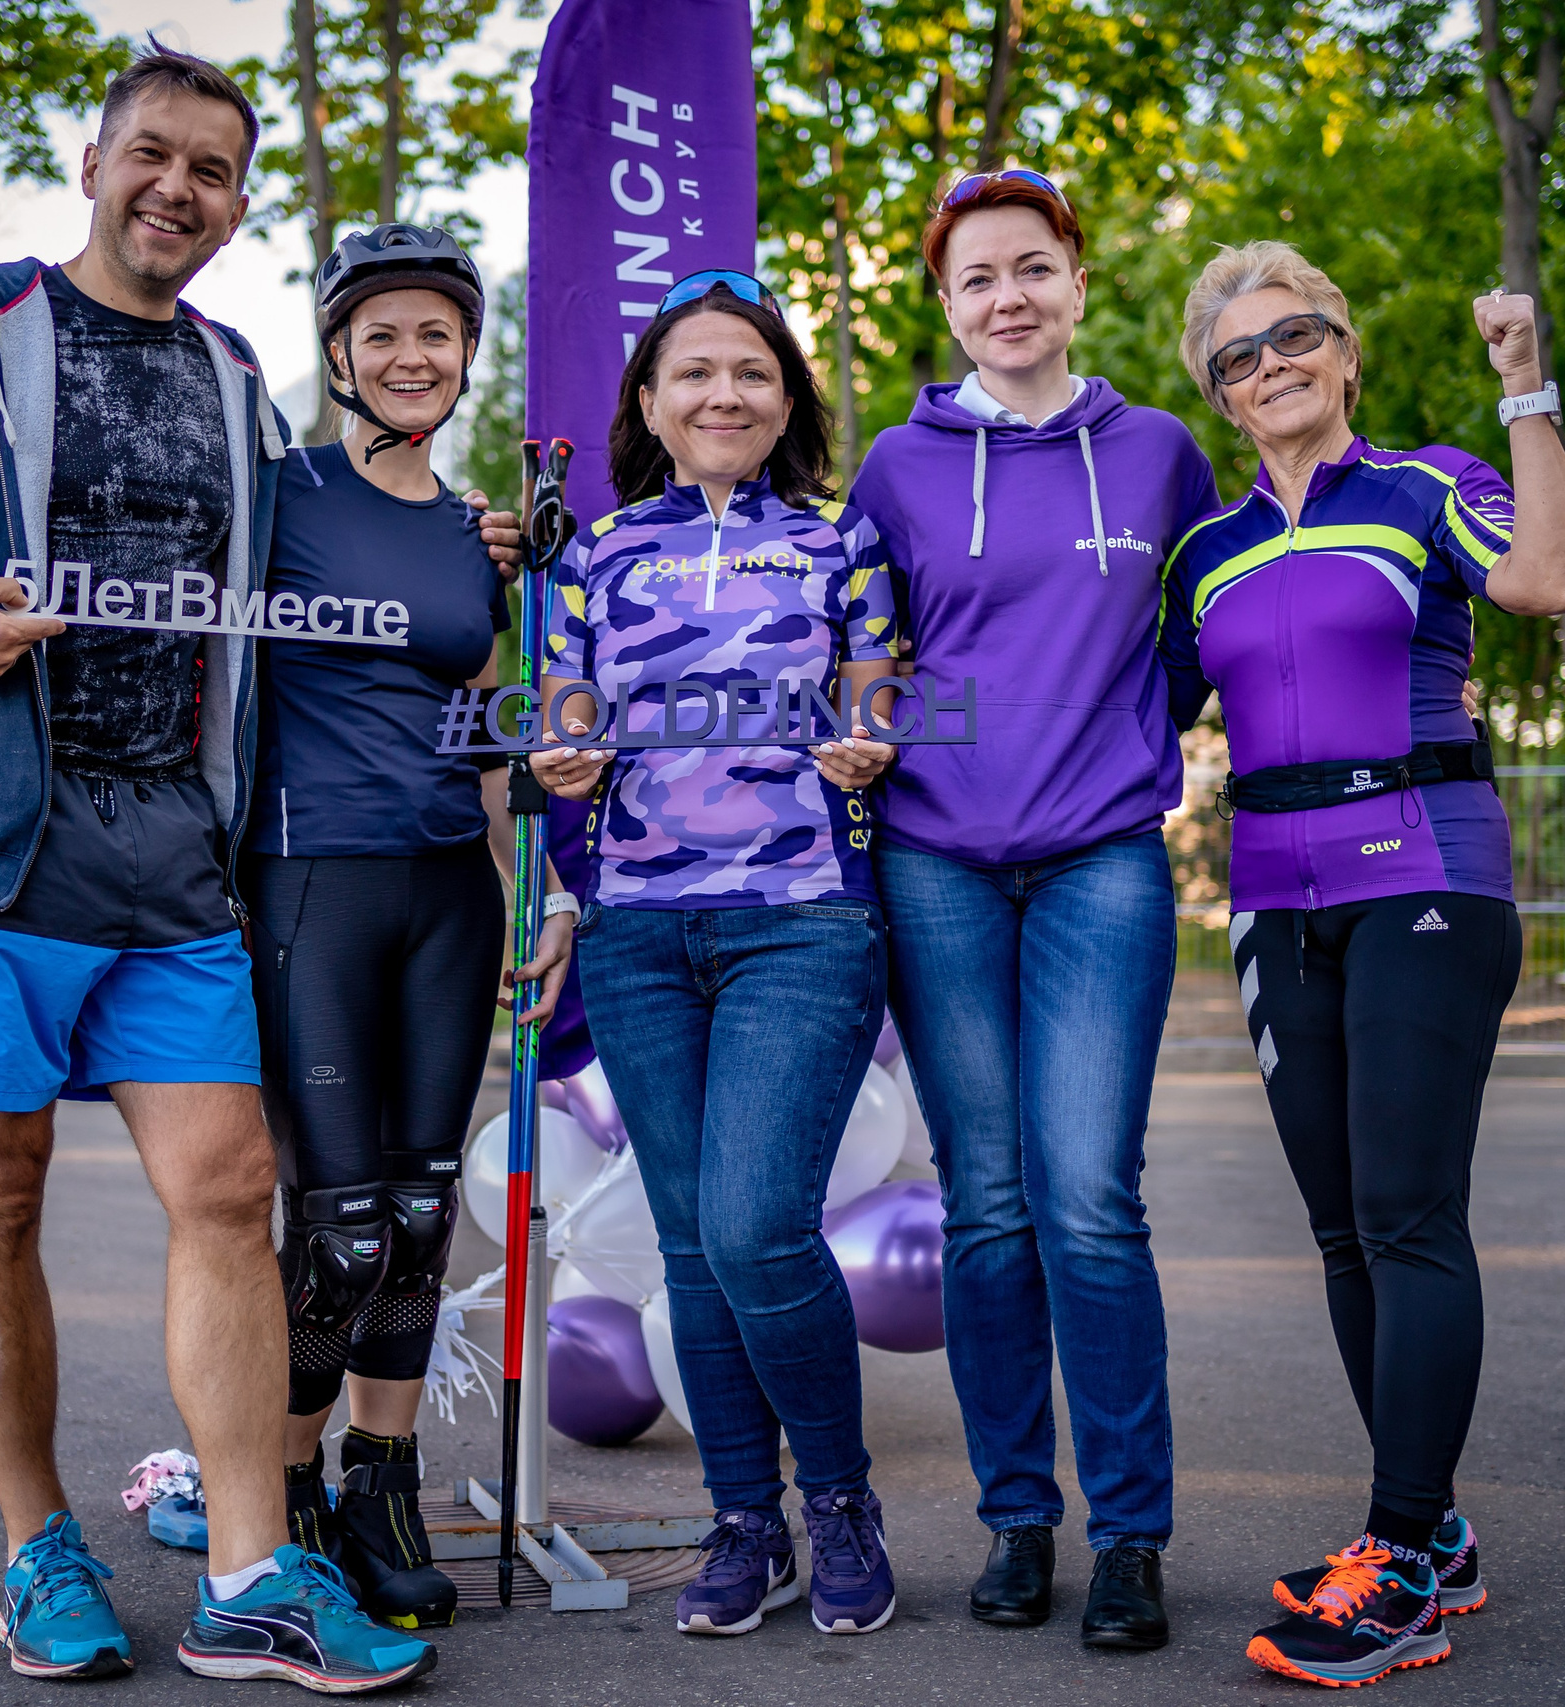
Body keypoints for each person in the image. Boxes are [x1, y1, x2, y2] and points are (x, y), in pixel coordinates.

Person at [0, 44, 490, 1695]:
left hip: (174, 851)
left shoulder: (234, 377)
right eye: (153, 156)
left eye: (214, 172)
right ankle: (37, 1546)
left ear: (235, 206)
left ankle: (247, 1578)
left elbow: (320, 589)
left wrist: (473, 542)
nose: (179, 191)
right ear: (94, 163)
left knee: (229, 1187)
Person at [1160, 240, 1565, 1689]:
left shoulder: (1425, 487)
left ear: (1345, 354)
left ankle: (1397, 1559)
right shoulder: (1203, 554)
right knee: (1345, 1229)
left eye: (1295, 338)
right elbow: (1113, 714)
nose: (1270, 364)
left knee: (1409, 1214)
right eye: (1240, 355)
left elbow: (1548, 579)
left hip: (1426, 868)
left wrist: (1527, 389)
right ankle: (1436, 1536)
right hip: (1275, 903)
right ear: (1219, 396)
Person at [846, 168, 1217, 1650]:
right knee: (987, 1204)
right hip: (934, 862)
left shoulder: (1162, 455)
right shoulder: (897, 464)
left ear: (1076, 281)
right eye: (977, 279)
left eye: (1032, 270)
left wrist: (1113, 749)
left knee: (1088, 1198)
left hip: (1102, 863)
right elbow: (867, 653)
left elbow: (1191, 645)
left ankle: (1131, 1533)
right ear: (949, 308)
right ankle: (1020, 1517)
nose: (1009, 298)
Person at [531, 270, 904, 1640]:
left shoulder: (842, 544)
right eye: (693, 372)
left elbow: (877, 695)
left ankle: (845, 1503)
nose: (723, 393)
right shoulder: (593, 554)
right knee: (691, 1243)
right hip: (635, 932)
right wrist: (562, 756)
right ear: (649, 401)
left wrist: (871, 735)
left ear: (784, 396)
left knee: (756, 1226)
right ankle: (747, 1526)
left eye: (750, 370)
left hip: (800, 921)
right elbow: (563, 715)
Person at [247, 221, 571, 1630]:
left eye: (434, 332)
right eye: (380, 332)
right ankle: (285, 1487)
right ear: (338, 356)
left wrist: (541, 894)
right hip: (311, 879)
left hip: (452, 883)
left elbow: (487, 721)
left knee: (427, 1214)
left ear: (465, 356)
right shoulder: (277, 494)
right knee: (341, 1230)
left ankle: (384, 1482)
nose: (408, 354)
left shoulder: (480, 531)